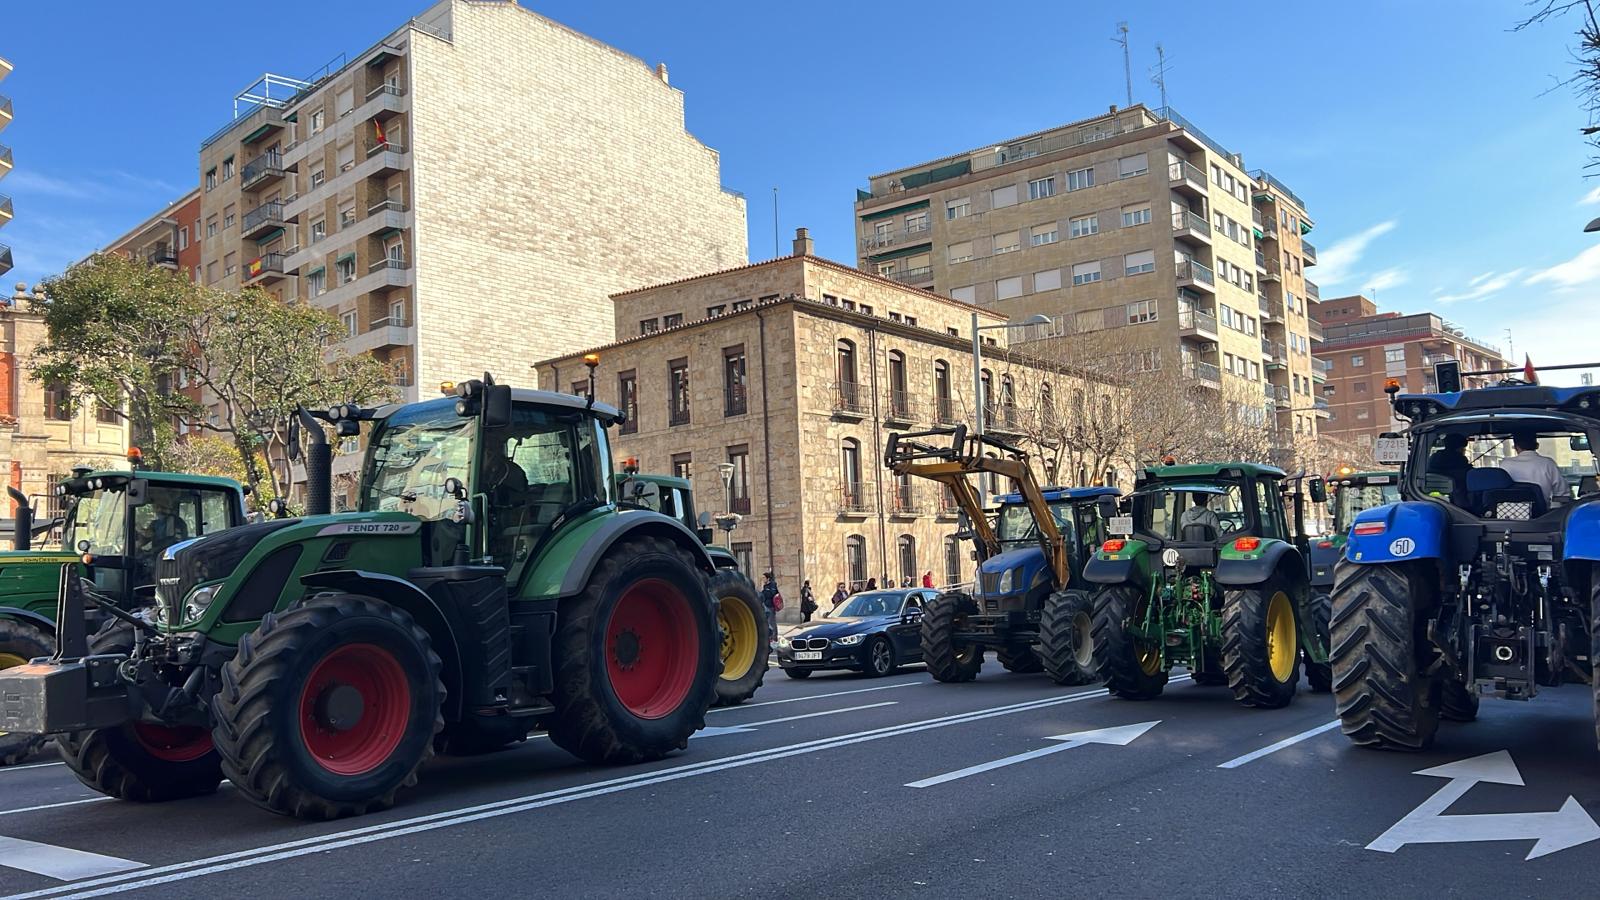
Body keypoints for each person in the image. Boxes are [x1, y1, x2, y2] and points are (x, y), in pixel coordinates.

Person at [1499, 430, 1566, 506]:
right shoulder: (1547, 463)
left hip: (1508, 513)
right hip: (1542, 514)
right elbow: (1562, 493)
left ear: (1516, 447)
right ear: (1537, 446)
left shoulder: (1505, 464)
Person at [1427, 433, 1472, 502]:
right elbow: (1468, 477)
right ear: (1458, 448)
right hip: (1459, 501)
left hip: (1427, 496)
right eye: (1463, 448)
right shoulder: (1460, 461)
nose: (1464, 451)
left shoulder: (1433, 459)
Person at [759, 573, 781, 639]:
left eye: (764, 578)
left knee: (772, 622)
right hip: (766, 605)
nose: (763, 579)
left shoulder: (773, 585)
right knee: (768, 622)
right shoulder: (765, 586)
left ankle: (774, 637)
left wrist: (765, 591)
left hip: (771, 606)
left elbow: (772, 594)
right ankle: (770, 637)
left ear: (768, 578)